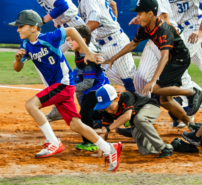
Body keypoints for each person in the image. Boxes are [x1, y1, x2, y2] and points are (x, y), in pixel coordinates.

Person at [10, 9, 121, 172]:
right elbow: (17, 68)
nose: (18, 29)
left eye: (21, 26)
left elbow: (71, 30)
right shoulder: (26, 45)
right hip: (58, 88)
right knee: (76, 125)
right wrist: (18, 60)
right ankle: (110, 149)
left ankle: (53, 142)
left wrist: (88, 51)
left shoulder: (48, 38)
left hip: (63, 84)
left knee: (31, 105)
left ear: (34, 27)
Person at [121, 0, 202, 116]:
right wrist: (139, 18)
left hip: (165, 36)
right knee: (142, 79)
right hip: (160, 36)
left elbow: (164, 15)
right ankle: (141, 119)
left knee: (169, 81)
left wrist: (162, 42)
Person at [103, 0, 202, 127]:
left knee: (155, 88)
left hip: (179, 60)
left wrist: (153, 80)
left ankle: (193, 92)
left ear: (150, 14)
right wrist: (112, 59)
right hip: (171, 60)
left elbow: (165, 56)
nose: (137, 17)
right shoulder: (146, 27)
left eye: (140, 13)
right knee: (165, 101)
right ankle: (191, 125)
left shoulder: (163, 30)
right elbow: (133, 44)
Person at [65, 0, 136, 91]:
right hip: (104, 43)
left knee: (129, 79)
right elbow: (112, 3)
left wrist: (76, 36)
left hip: (115, 42)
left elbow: (94, 22)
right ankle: (142, 93)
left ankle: (147, 100)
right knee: (103, 71)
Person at [46, 24, 108, 151]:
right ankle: (104, 124)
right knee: (92, 113)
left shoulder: (88, 58)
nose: (68, 42)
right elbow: (78, 70)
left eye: (72, 39)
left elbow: (88, 83)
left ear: (82, 40)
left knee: (84, 114)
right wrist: (68, 77)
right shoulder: (79, 51)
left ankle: (90, 142)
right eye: (68, 39)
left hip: (97, 88)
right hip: (91, 87)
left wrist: (71, 87)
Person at [96, 84, 171, 158]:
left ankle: (164, 148)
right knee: (146, 151)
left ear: (117, 98)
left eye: (110, 107)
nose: (108, 111)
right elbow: (104, 131)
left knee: (139, 118)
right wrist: (101, 150)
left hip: (150, 106)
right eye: (105, 108)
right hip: (136, 121)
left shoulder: (126, 96)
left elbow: (127, 116)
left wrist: (108, 129)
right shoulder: (106, 111)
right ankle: (174, 145)